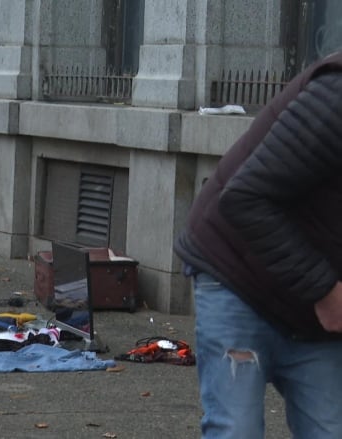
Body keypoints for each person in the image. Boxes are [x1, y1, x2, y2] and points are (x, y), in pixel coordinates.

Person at [174, 52, 342, 438]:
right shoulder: (337, 95)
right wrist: (325, 292)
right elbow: (245, 199)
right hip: (239, 277)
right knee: (237, 429)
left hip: (313, 305)